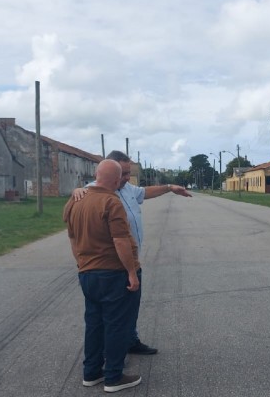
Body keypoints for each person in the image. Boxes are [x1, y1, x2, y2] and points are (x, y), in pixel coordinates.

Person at [72, 150, 192, 355]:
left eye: (128, 173)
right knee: (112, 315)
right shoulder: (91, 193)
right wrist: (76, 191)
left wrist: (170, 187)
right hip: (112, 264)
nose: (127, 178)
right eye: (124, 174)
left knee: (127, 310)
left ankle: (128, 341)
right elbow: (78, 230)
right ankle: (113, 362)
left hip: (128, 259)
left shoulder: (127, 189)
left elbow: (145, 192)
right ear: (112, 172)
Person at [63, 159, 142, 393]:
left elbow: (72, 238)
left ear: (96, 175)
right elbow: (120, 241)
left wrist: (81, 261)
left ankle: (92, 372)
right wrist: (131, 272)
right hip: (114, 274)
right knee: (117, 324)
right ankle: (113, 376)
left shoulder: (75, 201)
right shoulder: (111, 201)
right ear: (116, 180)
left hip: (87, 273)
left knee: (94, 324)